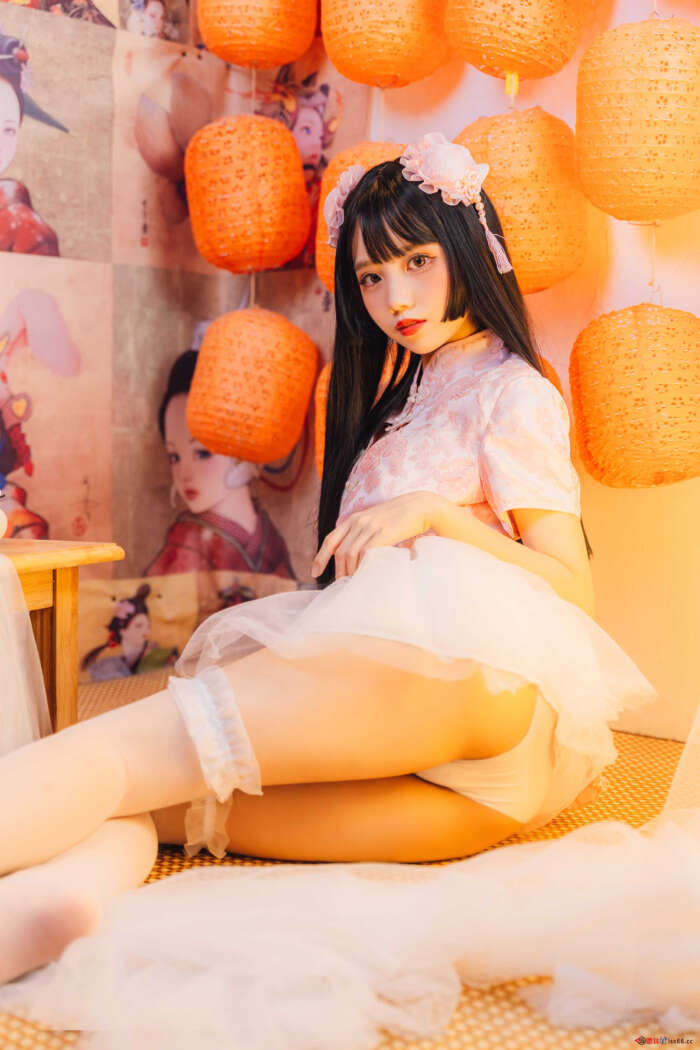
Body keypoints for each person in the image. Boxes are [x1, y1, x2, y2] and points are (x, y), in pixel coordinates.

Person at [0, 132, 697, 1041]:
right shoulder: (404, 399)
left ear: (472, 251)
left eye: (417, 261)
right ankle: (50, 907)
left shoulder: (513, 390)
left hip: (462, 682)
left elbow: (573, 590)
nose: (395, 297)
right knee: (169, 802)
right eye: (371, 276)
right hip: (479, 789)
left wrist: (434, 514)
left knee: (118, 751)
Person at [144, 349, 296, 579]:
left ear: (242, 444)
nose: (184, 474)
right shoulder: (185, 546)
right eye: (174, 457)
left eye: (202, 453)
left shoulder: (269, 536)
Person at [80, 584, 179, 682]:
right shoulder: (110, 665)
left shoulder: (161, 656)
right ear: (122, 630)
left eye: (148, 626)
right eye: (139, 626)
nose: (146, 631)